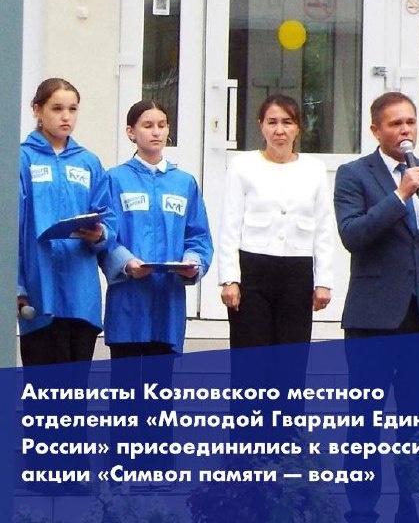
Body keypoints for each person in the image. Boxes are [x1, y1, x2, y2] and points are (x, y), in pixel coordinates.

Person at [333, 91, 419, 523]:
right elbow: (352, 235)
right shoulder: (353, 174)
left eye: (410, 121)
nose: (405, 130)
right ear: (376, 130)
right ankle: (361, 507)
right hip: (371, 319)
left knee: (417, 418)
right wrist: (399, 195)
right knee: (364, 419)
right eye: (395, 123)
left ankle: (411, 506)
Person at [217, 93, 335, 347]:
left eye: (287, 122)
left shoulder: (314, 169)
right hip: (253, 270)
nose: (279, 130)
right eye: (272, 122)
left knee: (291, 357)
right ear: (261, 125)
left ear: (298, 127)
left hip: (297, 271)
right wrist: (230, 279)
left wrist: (324, 282)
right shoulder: (242, 166)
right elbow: (230, 225)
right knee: (251, 356)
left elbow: (324, 228)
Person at [101, 99, 214, 356]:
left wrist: (192, 262)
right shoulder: (114, 179)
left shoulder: (184, 183)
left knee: (161, 378)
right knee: (126, 378)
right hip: (128, 301)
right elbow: (105, 235)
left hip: (167, 302)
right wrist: (126, 262)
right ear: (131, 132)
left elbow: (197, 235)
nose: (156, 132)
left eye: (162, 125)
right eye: (147, 125)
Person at [17, 77, 114, 366]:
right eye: (57, 108)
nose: (66, 117)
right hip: (39, 289)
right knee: (44, 385)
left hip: (80, 294)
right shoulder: (21, 158)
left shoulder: (89, 162)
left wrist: (100, 234)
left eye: (72, 109)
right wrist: (17, 286)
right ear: (37, 110)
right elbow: (10, 228)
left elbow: (109, 216)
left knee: (75, 386)